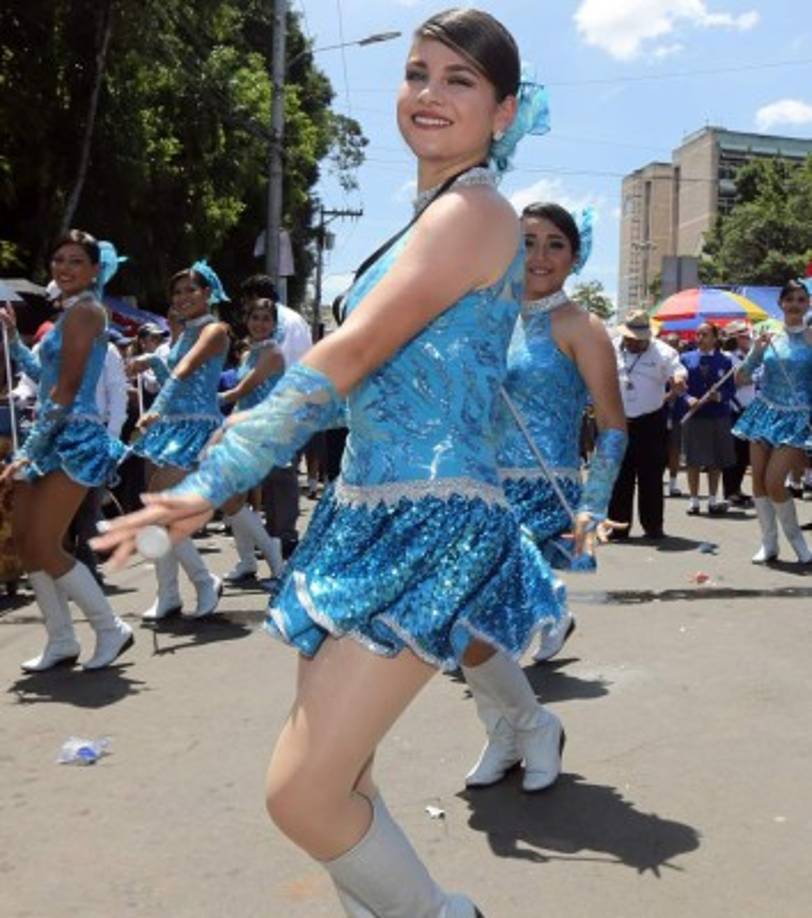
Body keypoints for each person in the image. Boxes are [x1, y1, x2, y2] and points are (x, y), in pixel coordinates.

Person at [93, 9, 550, 915]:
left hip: (431, 521)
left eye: (460, 80)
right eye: (418, 71)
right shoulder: (432, 216)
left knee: (300, 794)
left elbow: (342, 361)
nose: (428, 92)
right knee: (344, 781)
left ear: (503, 111)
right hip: (368, 508)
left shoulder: (476, 213)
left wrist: (205, 486)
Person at [461, 202, 626, 796]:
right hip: (475, 488)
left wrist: (594, 508)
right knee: (465, 626)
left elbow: (612, 426)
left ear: (574, 259)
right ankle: (508, 731)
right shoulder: (486, 319)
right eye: (526, 242)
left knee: (482, 627)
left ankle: (530, 725)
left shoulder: (581, 327)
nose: (538, 256)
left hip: (541, 498)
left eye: (554, 244)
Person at [0, 231, 132, 671]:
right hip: (52, 435)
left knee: (44, 542)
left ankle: (110, 627)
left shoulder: (88, 313)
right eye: (59, 259)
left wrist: (28, 451)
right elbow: (47, 373)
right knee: (24, 539)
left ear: (95, 270)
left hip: (74, 439)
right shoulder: (68, 316)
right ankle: (61, 640)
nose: (64, 267)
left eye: (76, 261)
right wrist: (16, 342)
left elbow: (69, 389)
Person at [127, 261, 230, 620]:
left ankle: (204, 581)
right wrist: (149, 363)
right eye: (178, 291)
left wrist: (158, 406)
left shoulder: (215, 329)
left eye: (191, 290)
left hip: (196, 429)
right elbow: (172, 370)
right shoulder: (183, 332)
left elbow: (185, 371)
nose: (183, 297)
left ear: (208, 293)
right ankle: (168, 593)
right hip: (170, 428)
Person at [733, 280, 812, 563]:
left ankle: (799, 543)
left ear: (808, 304)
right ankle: (769, 543)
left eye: (801, 300)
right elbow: (741, 378)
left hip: (796, 417)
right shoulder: (768, 335)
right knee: (759, 483)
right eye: (789, 299)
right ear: (780, 303)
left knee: (775, 481)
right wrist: (755, 351)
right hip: (764, 412)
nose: (794, 304)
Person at [239, 275, 312, 558]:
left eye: (260, 314)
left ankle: (284, 539)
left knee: (281, 478)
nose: (256, 320)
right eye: (252, 315)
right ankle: (273, 539)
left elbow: (288, 369)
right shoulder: (258, 344)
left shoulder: (282, 327)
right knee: (271, 479)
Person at [218, 297, 285, 583]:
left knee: (230, 500)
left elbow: (240, 390)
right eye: (255, 317)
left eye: (266, 319)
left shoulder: (272, 353)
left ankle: (276, 562)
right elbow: (239, 400)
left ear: (274, 324)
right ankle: (247, 562)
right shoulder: (248, 354)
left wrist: (199, 402)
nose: (260, 324)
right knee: (234, 499)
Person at [608, 310, 687, 539]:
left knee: (651, 476)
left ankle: (653, 526)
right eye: (632, 338)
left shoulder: (663, 351)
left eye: (641, 338)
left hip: (650, 421)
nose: (636, 343)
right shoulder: (610, 348)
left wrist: (678, 381)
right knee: (620, 477)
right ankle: (618, 527)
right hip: (618, 420)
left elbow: (678, 370)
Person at [680, 322, 736, 515]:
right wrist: (688, 399)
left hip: (718, 415)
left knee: (716, 460)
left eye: (704, 334)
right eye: (698, 334)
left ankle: (713, 499)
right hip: (695, 415)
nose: (700, 338)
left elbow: (730, 389)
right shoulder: (685, 358)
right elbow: (678, 387)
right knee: (693, 460)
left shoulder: (725, 361)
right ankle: (694, 500)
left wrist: (718, 396)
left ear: (714, 337)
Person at [721, 321, 756, 506]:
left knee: (744, 454)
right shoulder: (729, 357)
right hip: (735, 409)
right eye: (742, 335)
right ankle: (729, 491)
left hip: (750, 408)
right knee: (734, 452)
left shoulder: (750, 356)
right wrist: (753, 377)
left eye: (748, 335)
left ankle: (737, 489)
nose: (747, 338)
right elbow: (739, 380)